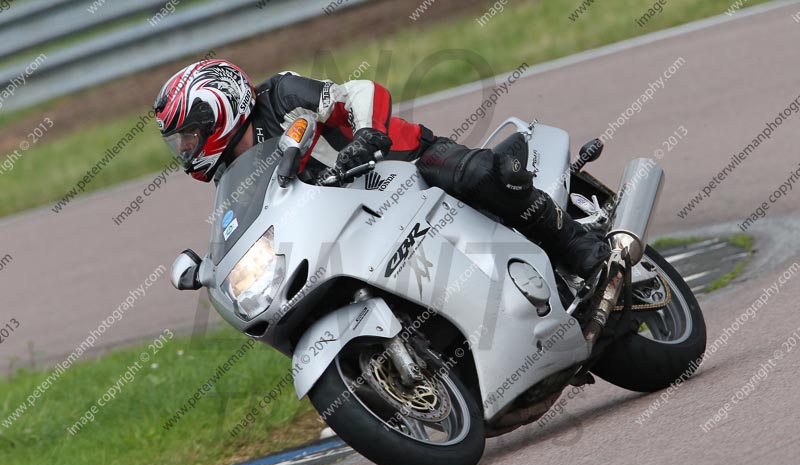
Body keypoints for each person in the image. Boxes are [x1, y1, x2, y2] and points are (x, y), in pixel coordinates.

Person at [154, 59, 609, 278]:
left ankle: (573, 242)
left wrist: (369, 131)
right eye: (180, 142)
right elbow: (251, 228)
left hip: (401, 162)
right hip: (359, 222)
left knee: (472, 176)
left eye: (188, 135)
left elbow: (359, 90)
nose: (186, 149)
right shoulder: (234, 176)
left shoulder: (282, 95)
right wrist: (217, 268)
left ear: (219, 112)